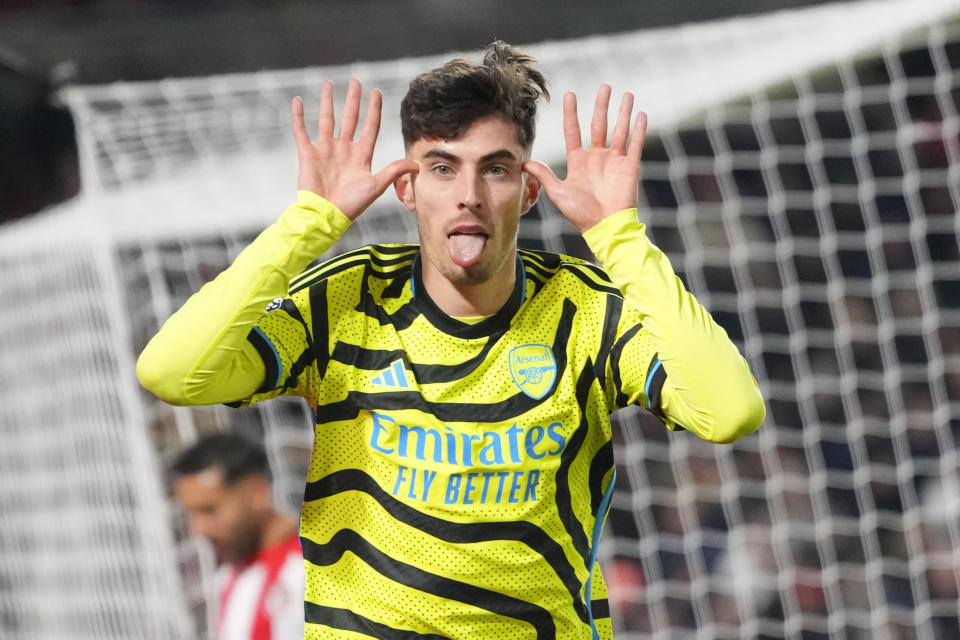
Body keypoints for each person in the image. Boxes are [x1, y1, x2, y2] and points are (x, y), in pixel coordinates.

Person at [139, 41, 765, 639]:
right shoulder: (348, 298)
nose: (468, 196)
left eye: (494, 169)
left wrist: (619, 238)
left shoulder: (585, 310)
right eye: (442, 168)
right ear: (407, 188)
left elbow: (730, 412)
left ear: (528, 189)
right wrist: (309, 222)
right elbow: (174, 372)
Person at [170, 432, 304, 640]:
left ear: (256, 493)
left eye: (209, 510)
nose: (199, 530)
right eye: (191, 514)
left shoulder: (314, 565)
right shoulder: (227, 577)